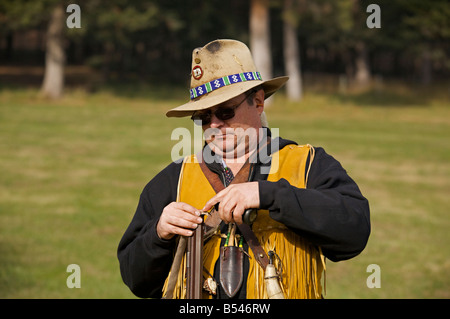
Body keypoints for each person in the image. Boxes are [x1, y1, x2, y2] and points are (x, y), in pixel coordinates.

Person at [117, 39, 370, 299]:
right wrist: (159, 233)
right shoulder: (172, 180)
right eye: (203, 117)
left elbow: (355, 232)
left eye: (225, 112)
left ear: (258, 102)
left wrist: (270, 195)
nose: (214, 124)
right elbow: (136, 280)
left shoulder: (309, 165)